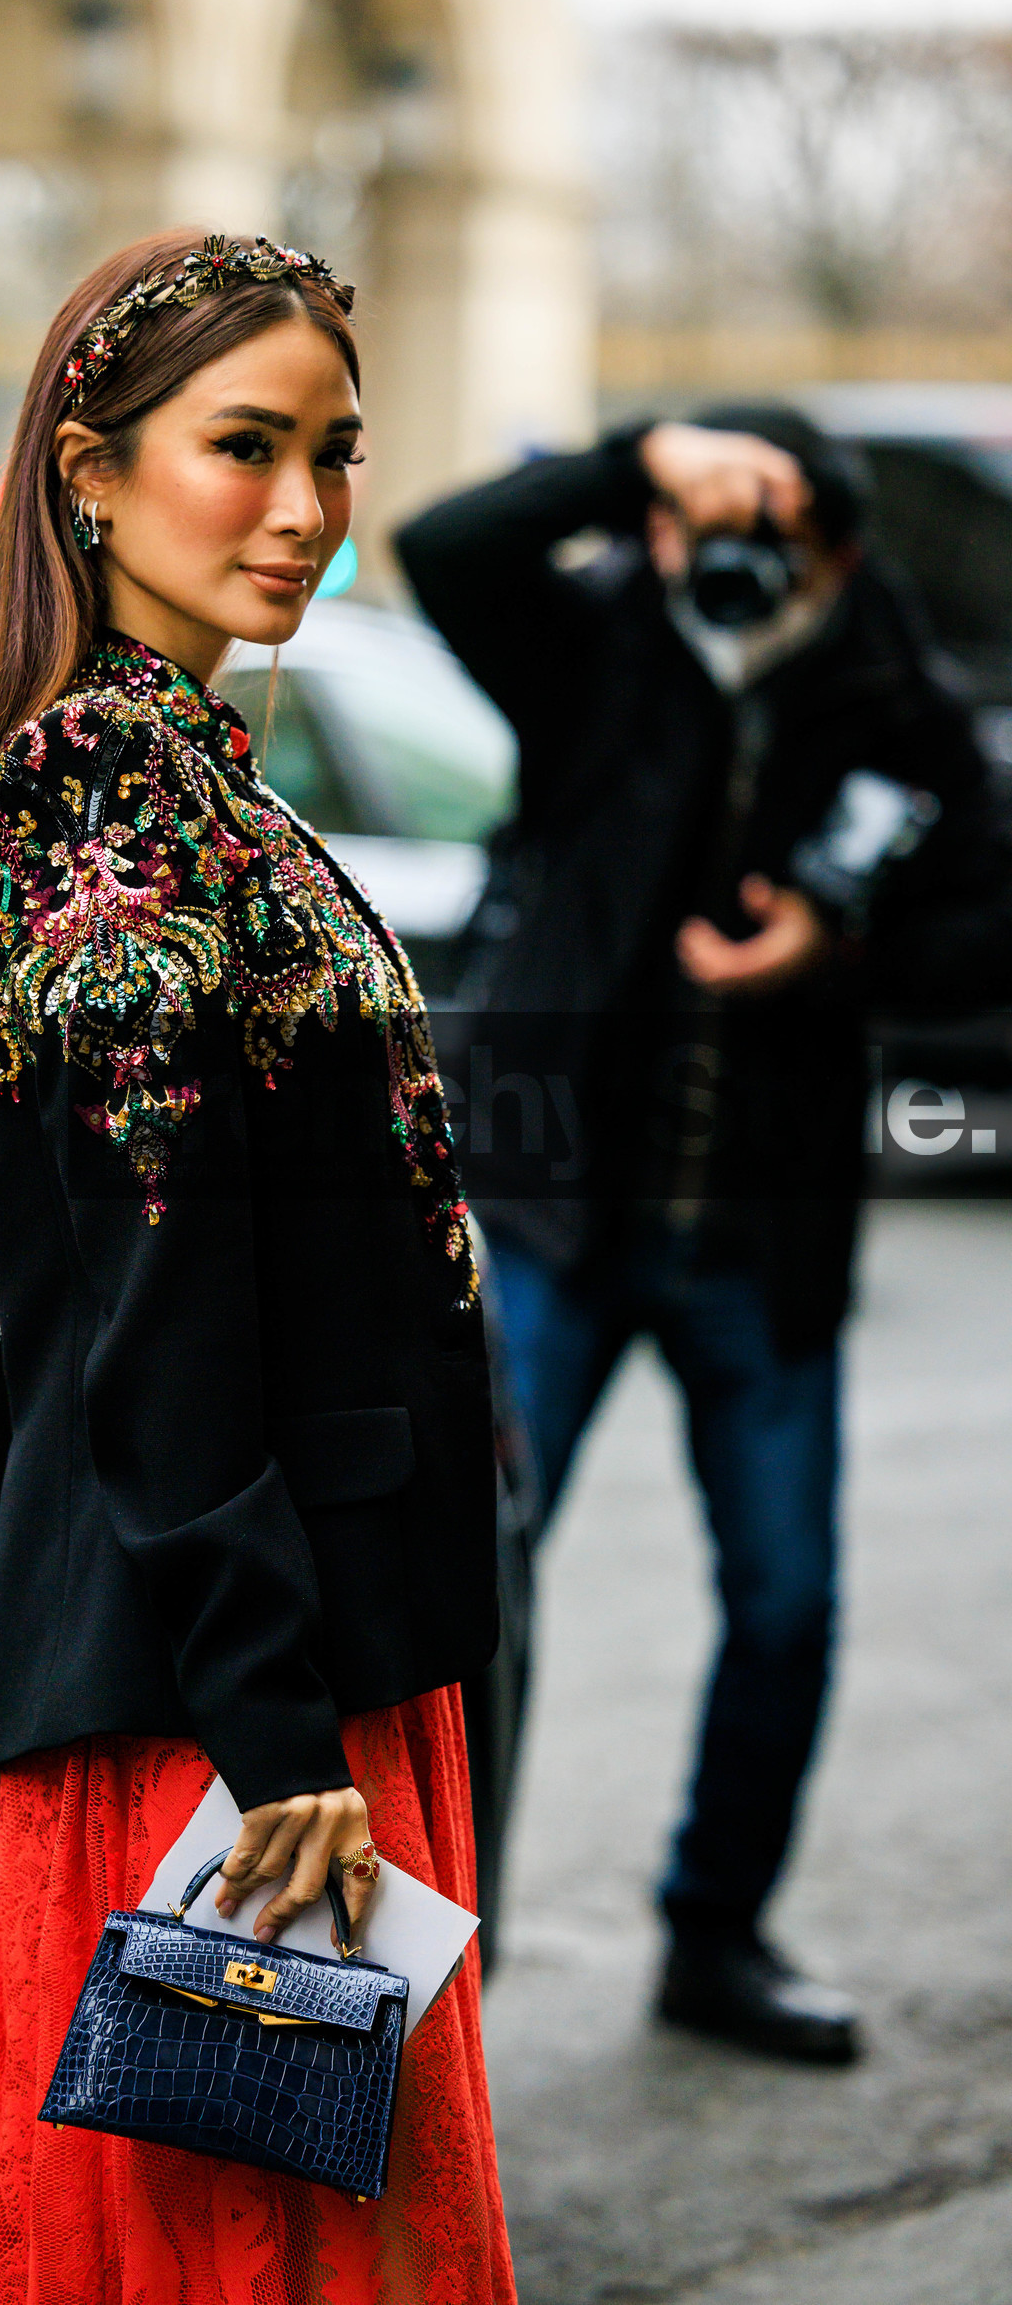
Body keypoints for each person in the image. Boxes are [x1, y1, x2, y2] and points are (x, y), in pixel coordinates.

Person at [0, 231, 512, 2304]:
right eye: (239, 446)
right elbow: (149, 1314)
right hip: (226, 1707)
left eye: (333, 454)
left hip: (299, 1662)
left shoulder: (188, 778)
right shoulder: (102, 784)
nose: (301, 508)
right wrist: (276, 1748)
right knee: (241, 2270)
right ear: (88, 468)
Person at [397, 407, 1012, 2068]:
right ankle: (420, 1960)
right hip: (552, 1221)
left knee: (789, 1603)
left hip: (764, 1239)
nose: (715, 551)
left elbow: (988, 920)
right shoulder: (590, 642)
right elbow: (444, 548)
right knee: (457, 1593)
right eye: (694, 516)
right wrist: (636, 459)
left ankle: (716, 1937)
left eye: (761, 523)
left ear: (837, 547)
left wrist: (844, 929)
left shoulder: (894, 691)